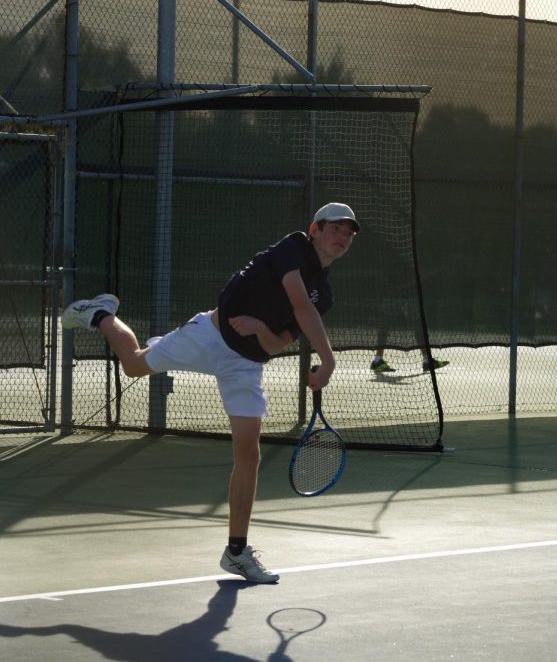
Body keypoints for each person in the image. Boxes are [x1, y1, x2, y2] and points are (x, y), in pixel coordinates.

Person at [61, 201, 359, 584]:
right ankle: (100, 313)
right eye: (336, 228)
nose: (343, 237)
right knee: (134, 364)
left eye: (349, 233)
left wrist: (258, 329)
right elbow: (299, 305)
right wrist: (329, 362)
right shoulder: (294, 247)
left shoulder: (326, 296)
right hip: (210, 337)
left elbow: (274, 345)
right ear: (315, 229)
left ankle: (236, 552)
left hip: (246, 365)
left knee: (249, 454)